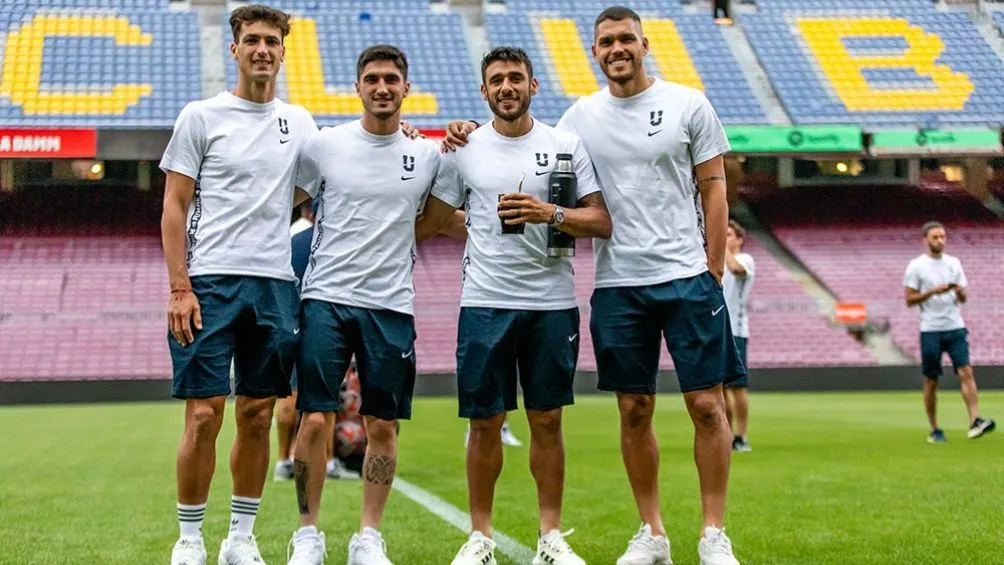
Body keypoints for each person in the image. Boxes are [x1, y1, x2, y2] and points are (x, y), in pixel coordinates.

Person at [443, 6, 744, 565]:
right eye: (606, 41)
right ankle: (653, 533)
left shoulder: (688, 104)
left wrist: (714, 268)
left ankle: (712, 534)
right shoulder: (578, 119)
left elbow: (715, 188)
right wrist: (456, 130)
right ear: (594, 52)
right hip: (617, 281)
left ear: (644, 43)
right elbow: (517, 145)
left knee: (706, 404)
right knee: (634, 409)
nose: (617, 48)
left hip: (686, 275)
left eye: (625, 39)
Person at [417, 46, 612, 565]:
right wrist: (418, 145)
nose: (507, 87)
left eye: (516, 78)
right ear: (484, 91)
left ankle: (550, 537)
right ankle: (480, 536)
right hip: (484, 303)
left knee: (547, 420)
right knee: (485, 421)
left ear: (533, 86)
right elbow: (433, 218)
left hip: (552, 304)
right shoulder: (464, 148)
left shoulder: (566, 144)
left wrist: (550, 213)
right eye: (497, 80)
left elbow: (601, 221)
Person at [161, 5, 315, 565]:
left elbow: (320, 186)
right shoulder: (201, 116)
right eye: (251, 39)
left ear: (281, 50)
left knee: (256, 413)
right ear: (235, 49)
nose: (261, 49)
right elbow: (174, 205)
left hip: (275, 284)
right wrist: (181, 287)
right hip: (208, 283)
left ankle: (240, 537)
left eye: (271, 41)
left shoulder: (299, 122)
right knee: (204, 414)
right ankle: (190, 538)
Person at [284, 44, 445, 565]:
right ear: (358, 87)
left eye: (391, 79)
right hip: (325, 298)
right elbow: (280, 201)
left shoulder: (426, 155)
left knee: (382, 425)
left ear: (405, 87)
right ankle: (308, 532)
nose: (382, 87)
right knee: (312, 419)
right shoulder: (324, 146)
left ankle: (367, 537)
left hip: (391, 305)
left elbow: (444, 216)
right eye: (372, 78)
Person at [904, 221, 995, 442]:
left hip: (955, 326)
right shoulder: (916, 266)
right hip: (931, 329)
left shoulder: (954, 263)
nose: (940, 241)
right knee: (931, 380)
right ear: (925, 240)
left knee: (966, 372)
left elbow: (962, 297)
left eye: (943, 237)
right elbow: (909, 299)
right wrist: (933, 291)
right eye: (935, 237)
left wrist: (960, 292)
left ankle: (975, 420)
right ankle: (935, 429)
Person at [722, 220, 754, 453]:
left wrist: (720, 246)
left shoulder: (745, 259)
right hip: (718, 330)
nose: (725, 237)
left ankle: (741, 435)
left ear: (739, 240)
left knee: (737, 386)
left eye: (729, 234)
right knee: (720, 387)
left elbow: (736, 270)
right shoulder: (718, 262)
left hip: (736, 330)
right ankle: (725, 433)